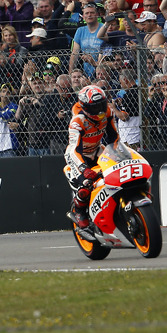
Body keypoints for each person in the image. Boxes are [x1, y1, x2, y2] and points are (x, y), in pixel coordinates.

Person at [64, 84, 119, 228]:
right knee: (86, 184)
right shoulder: (77, 122)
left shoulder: (108, 112)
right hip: (77, 156)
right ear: (85, 107)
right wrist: (84, 169)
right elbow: (73, 150)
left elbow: (114, 137)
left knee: (117, 171)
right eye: (95, 107)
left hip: (97, 149)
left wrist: (118, 154)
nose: (100, 110)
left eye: (101, 104)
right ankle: (79, 211)